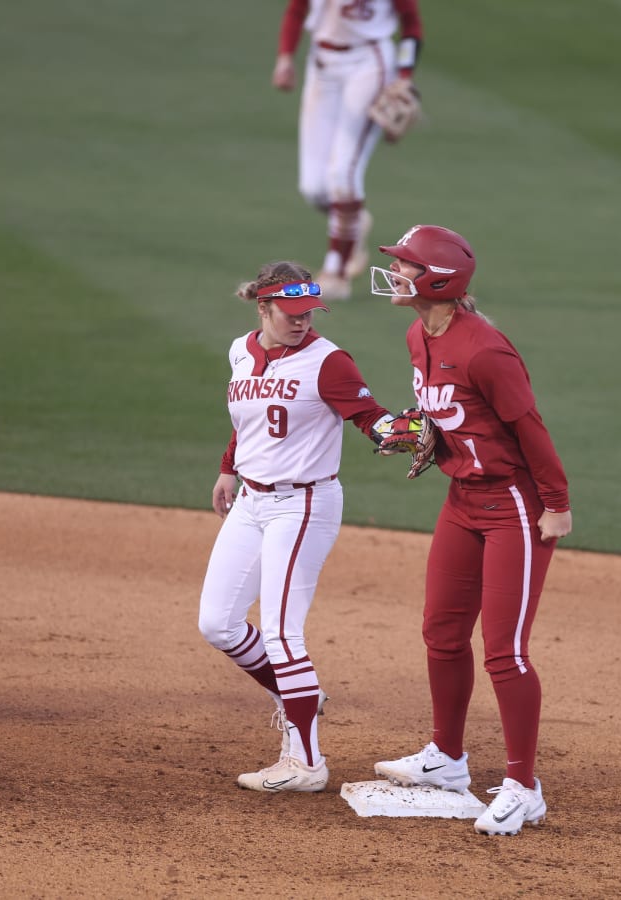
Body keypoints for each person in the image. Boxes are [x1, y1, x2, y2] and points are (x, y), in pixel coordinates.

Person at [368, 225, 573, 836]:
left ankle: (524, 787)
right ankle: (448, 759)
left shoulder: (486, 350)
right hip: (462, 500)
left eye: (405, 266)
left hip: (513, 503)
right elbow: (451, 418)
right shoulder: (416, 334)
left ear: (436, 280)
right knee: (442, 631)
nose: (396, 274)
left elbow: (530, 427)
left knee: (504, 652)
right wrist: (435, 437)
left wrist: (556, 504)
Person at [198, 260, 410, 793]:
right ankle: (298, 696)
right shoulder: (239, 351)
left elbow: (369, 416)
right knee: (218, 624)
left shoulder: (328, 361)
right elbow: (245, 421)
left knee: (281, 632)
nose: (303, 322)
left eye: (310, 313)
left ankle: (307, 762)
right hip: (251, 502)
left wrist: (395, 432)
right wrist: (228, 466)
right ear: (263, 308)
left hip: (304, 505)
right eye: (291, 313)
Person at [271, 0, 424, 302]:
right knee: (314, 187)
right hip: (322, 63)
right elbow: (297, 9)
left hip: (370, 62)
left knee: (343, 173)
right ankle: (353, 222)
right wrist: (285, 58)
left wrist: (404, 76)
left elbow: (411, 25)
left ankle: (336, 273)